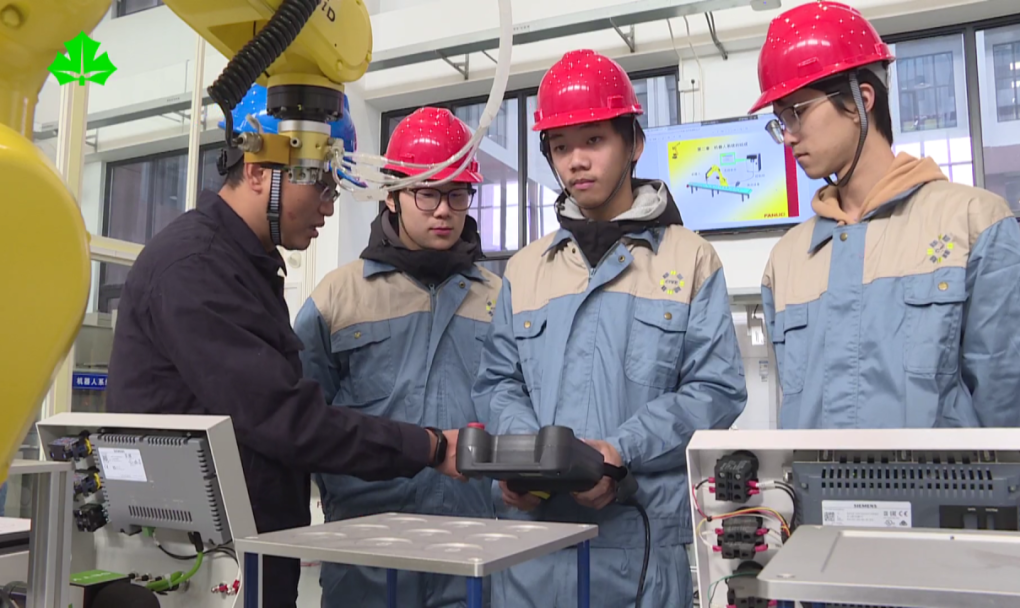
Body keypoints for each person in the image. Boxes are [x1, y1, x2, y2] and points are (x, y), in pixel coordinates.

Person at [106, 86, 464, 608]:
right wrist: (428, 447)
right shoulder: (196, 268)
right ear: (257, 171)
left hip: (242, 555)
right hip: (200, 567)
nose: (329, 206)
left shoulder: (242, 266)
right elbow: (285, 418)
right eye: (320, 184)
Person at [473, 49, 748, 608]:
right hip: (531, 553)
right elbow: (498, 382)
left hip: (637, 547)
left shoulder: (689, 259)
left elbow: (716, 389)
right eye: (560, 147)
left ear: (634, 144)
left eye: (594, 140)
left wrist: (619, 451)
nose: (576, 161)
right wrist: (528, 458)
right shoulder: (524, 269)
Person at [751, 1, 1020, 431]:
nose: (788, 136)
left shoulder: (974, 224)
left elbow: (1004, 408)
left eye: (797, 112)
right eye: (780, 120)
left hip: (944, 479)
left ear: (861, 100)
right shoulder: (786, 261)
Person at [293, 107, 501, 608]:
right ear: (391, 195)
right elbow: (302, 422)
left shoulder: (499, 301)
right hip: (366, 556)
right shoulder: (337, 298)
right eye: (427, 193)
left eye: (457, 193)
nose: (444, 210)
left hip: (472, 552)